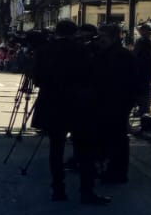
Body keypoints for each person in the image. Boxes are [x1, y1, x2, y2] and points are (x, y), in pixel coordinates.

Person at [32, 20, 104, 204]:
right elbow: (92, 76)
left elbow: (37, 79)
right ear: (75, 33)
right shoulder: (81, 50)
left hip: (53, 103)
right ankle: (86, 191)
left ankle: (58, 189)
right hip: (78, 104)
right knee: (84, 148)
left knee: (56, 149)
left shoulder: (45, 50)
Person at [90, 24, 139, 184]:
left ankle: (116, 171)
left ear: (112, 37)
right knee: (107, 136)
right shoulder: (104, 53)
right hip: (106, 101)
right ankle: (107, 167)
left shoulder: (121, 55)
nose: (99, 40)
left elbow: (130, 81)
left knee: (117, 138)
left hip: (117, 102)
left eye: (102, 37)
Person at [133, 23, 151, 115]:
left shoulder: (147, 40)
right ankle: (144, 108)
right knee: (146, 88)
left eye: (142, 29)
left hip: (145, 68)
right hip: (149, 68)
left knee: (145, 89)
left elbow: (148, 56)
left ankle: (144, 108)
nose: (139, 31)